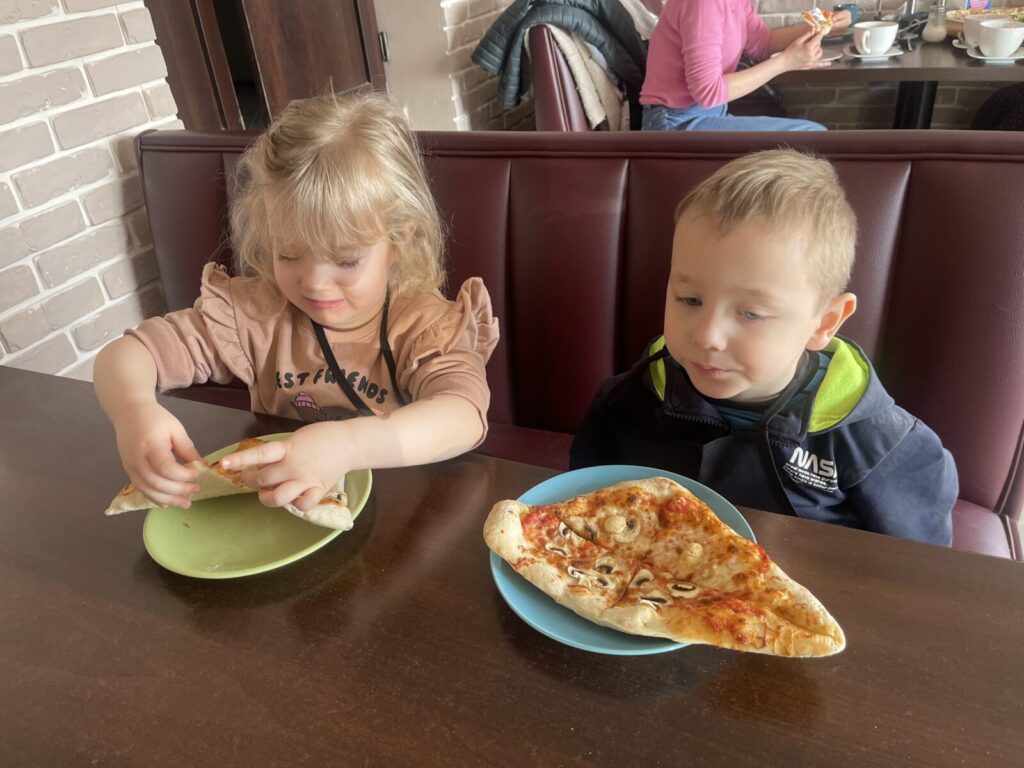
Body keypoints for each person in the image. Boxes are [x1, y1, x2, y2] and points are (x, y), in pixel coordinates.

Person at [94, 91, 499, 514]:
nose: (316, 284)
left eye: (346, 260)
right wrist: (134, 411)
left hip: (400, 514)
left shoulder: (422, 323)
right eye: (288, 254)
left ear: (399, 240)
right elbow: (130, 352)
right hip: (277, 513)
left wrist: (348, 445)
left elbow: (463, 416)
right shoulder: (256, 312)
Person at [570, 149, 956, 545]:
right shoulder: (625, 402)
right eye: (690, 299)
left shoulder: (880, 445)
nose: (707, 336)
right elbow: (581, 516)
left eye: (751, 314)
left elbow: (917, 566)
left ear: (824, 323)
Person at [640, 1, 852, 131]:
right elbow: (708, 92)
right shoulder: (703, 3)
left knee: (813, 139)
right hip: (675, 123)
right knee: (812, 137)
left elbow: (763, 42)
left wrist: (823, 27)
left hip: (707, 114)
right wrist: (785, 62)